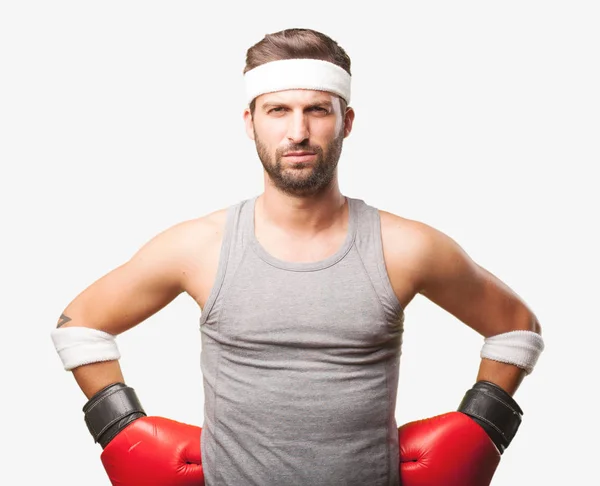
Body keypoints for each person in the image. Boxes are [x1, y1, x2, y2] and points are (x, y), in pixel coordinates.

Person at [51, 28, 544, 486]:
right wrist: (122, 429)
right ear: (250, 123)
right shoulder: (199, 247)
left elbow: (516, 328)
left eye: (318, 110)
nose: (298, 132)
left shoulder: (406, 246)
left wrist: (481, 431)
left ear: (346, 121)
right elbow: (80, 327)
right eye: (278, 110)